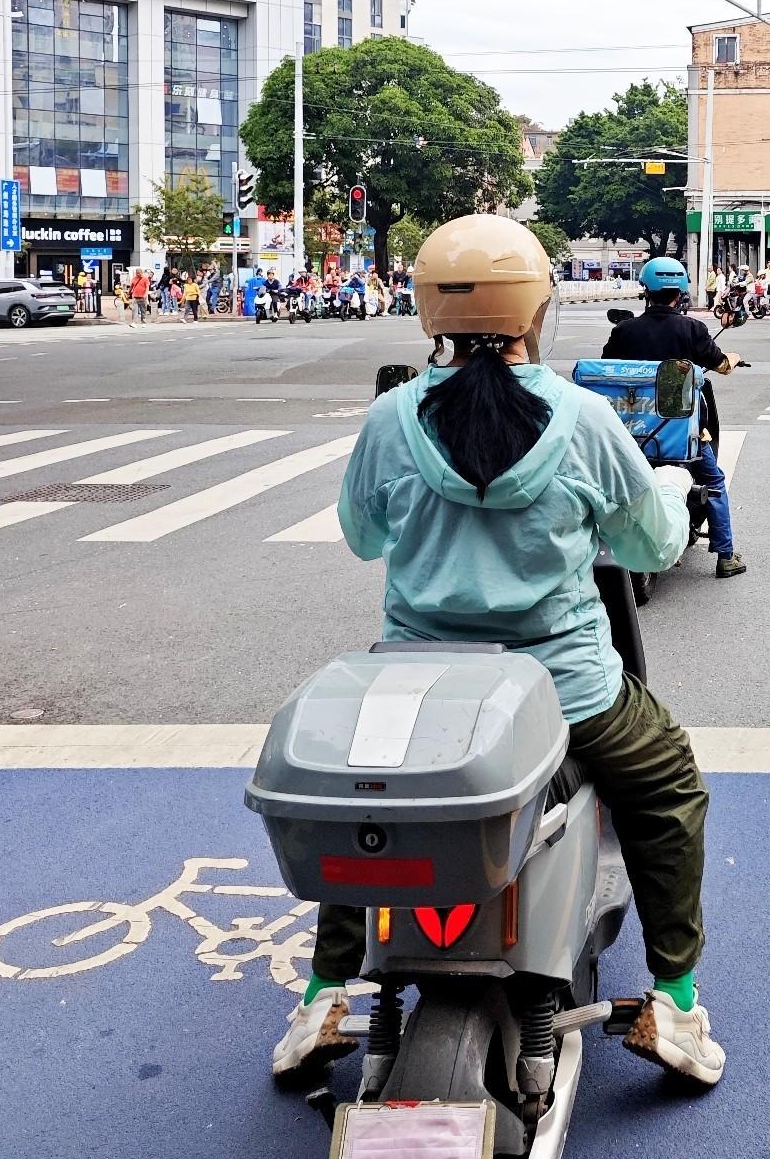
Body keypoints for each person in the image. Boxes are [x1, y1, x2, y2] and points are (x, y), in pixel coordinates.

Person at [273, 215, 726, 1089]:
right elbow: (650, 547)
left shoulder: (391, 417)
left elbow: (361, 535)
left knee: (365, 805)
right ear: (537, 310)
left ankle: (324, 996)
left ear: (424, 311)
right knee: (668, 790)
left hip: (416, 685)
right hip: (565, 688)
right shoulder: (585, 419)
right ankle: (673, 996)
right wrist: (667, 488)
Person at [602, 255, 747, 579]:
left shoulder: (625, 331)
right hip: (680, 434)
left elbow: (606, 369)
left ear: (646, 290)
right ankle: (725, 556)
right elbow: (720, 363)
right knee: (714, 482)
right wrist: (732, 359)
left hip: (633, 433)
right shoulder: (692, 329)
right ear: (680, 293)